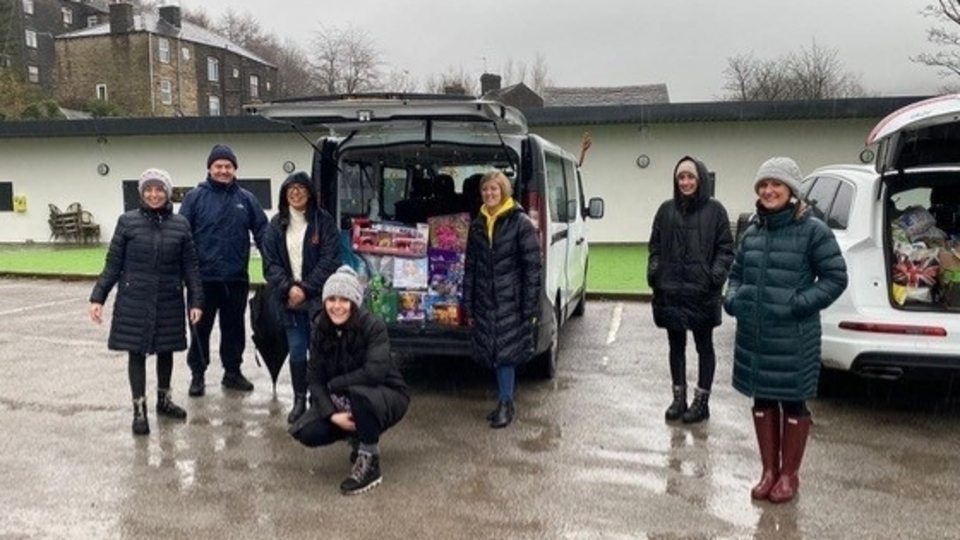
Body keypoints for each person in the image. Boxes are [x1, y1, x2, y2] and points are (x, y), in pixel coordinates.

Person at [724, 157, 847, 503]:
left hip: (795, 338)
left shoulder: (813, 231)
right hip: (756, 338)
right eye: (763, 185)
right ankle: (769, 472)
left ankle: (789, 476)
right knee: (762, 400)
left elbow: (836, 278)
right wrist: (734, 300)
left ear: (792, 190)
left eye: (776, 184)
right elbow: (735, 275)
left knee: (793, 404)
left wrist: (798, 303)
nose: (768, 190)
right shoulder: (753, 232)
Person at [89, 168, 204, 435]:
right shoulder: (127, 222)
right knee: (136, 352)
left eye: (159, 189)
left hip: (169, 298)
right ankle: (139, 410)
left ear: (167, 193)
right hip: (134, 299)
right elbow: (113, 265)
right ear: (142, 193)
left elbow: (191, 268)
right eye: (149, 190)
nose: (154, 194)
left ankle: (164, 401)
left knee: (166, 350)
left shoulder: (181, 224)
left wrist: (196, 301)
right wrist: (98, 297)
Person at [289, 266, 410, 495]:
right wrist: (332, 415)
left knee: (359, 395)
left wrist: (336, 385)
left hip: (386, 394)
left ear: (354, 301)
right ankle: (357, 434)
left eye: (344, 299)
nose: (337, 306)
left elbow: (375, 372)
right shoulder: (321, 328)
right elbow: (313, 377)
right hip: (344, 399)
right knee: (307, 431)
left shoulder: (373, 326)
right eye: (331, 299)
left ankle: (370, 461)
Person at [647, 156, 734, 424]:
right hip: (671, 291)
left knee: (704, 346)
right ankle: (678, 397)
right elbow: (655, 247)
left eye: (690, 177)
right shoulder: (665, 210)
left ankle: (701, 400)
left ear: (701, 180)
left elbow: (725, 249)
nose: (685, 182)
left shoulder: (715, 211)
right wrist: (655, 274)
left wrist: (713, 278)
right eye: (681, 177)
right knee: (676, 346)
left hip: (701, 293)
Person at [179, 144, 268, 397]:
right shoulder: (194, 198)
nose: (223, 170)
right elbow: (182, 237)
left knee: (234, 329)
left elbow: (263, 234)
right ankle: (198, 375)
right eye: (218, 166)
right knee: (199, 329)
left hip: (236, 279)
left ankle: (232, 373)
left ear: (235, 169)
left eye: (228, 166)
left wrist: (274, 265)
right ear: (209, 168)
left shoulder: (247, 200)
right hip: (202, 281)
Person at [462, 170, 542, 429]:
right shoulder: (477, 224)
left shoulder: (520, 223)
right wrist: (469, 304)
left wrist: (530, 305)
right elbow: (471, 267)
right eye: (485, 190)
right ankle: (504, 401)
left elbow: (532, 267)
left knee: (505, 353)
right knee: (494, 351)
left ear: (503, 191)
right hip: (486, 299)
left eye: (494, 189)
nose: (489, 194)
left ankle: (506, 403)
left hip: (511, 300)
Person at [261, 171, 341, 424]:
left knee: (318, 349)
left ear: (310, 192)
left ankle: (320, 400)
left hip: (318, 297)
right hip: (289, 300)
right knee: (296, 349)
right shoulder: (275, 225)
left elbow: (331, 259)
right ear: (285, 194)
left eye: (301, 188)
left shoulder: (323, 221)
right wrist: (288, 289)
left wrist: (305, 288)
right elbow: (270, 264)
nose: (296, 193)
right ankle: (299, 399)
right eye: (291, 189)